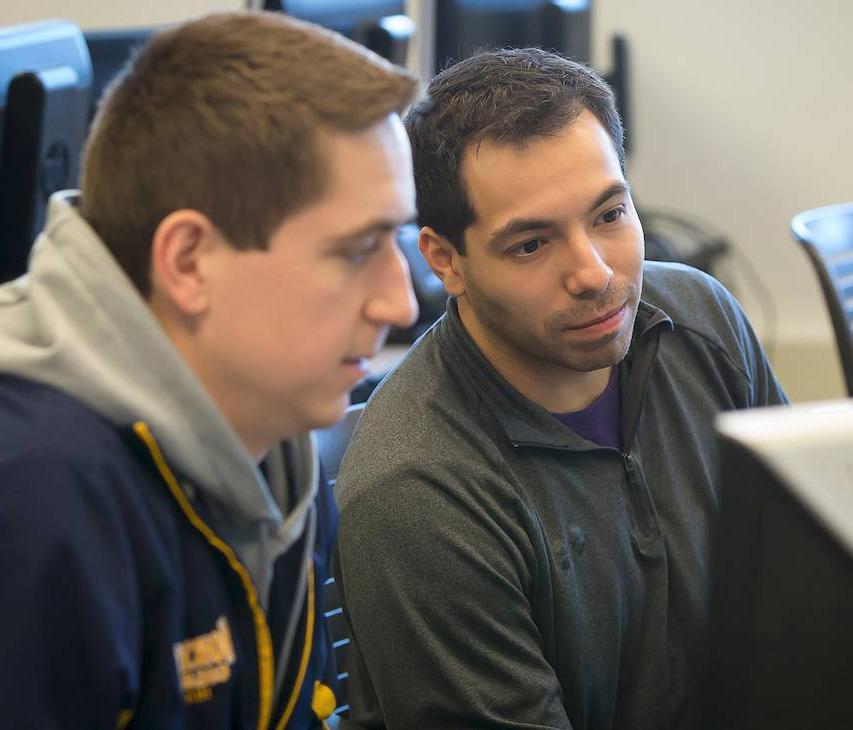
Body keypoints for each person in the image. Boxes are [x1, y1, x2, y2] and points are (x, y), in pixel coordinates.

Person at [334, 48, 788, 729]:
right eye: (531, 245)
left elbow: (801, 581)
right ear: (444, 261)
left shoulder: (700, 320)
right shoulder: (419, 489)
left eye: (608, 215)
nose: (593, 273)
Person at [0, 12, 418, 729]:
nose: (402, 301)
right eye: (357, 249)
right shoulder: (34, 496)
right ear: (189, 261)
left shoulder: (274, 444)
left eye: (398, 239)